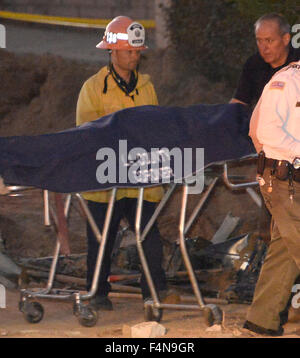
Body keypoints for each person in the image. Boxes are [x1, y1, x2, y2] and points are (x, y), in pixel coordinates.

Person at [76, 16, 167, 311]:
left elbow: (155, 128)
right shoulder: (93, 88)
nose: (135, 56)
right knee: (101, 239)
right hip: (106, 180)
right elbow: (87, 133)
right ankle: (98, 293)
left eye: (138, 51)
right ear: (112, 51)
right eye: (129, 51)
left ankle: (154, 292)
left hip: (142, 179)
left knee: (149, 236)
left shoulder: (146, 87)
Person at [243, 60, 300, 336]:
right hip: (281, 180)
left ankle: (261, 321)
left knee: (285, 251)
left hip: (292, 180)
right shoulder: (287, 81)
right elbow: (266, 132)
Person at [230, 13, 300, 108]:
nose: (264, 48)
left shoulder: (297, 62)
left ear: (285, 39)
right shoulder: (254, 64)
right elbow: (240, 101)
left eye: (269, 41)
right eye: (259, 41)